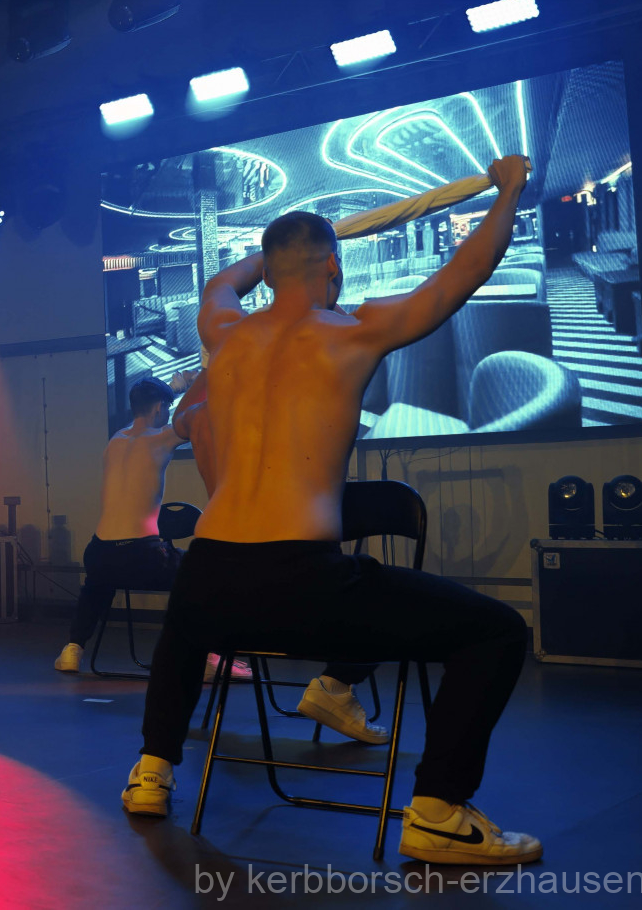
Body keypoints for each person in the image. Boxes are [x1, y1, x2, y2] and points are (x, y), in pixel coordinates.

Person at [124, 156, 539, 866]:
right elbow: (462, 275)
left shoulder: (225, 332)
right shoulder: (353, 332)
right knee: (498, 632)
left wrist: (266, 260)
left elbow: (219, 284)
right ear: (334, 269)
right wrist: (508, 190)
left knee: (186, 621)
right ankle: (438, 812)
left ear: (269, 272)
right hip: (302, 586)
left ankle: (151, 771)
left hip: (209, 577)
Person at [172, 372, 385, 744]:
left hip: (228, 605)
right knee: (385, 599)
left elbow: (179, 418)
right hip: (302, 600)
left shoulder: (203, 417)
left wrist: (210, 369)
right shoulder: (285, 410)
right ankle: (336, 684)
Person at [53, 373, 194, 674]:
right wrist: (191, 383)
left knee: (97, 586)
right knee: (199, 572)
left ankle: (72, 649)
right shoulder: (163, 437)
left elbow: (148, 415)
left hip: (99, 554)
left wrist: (171, 388)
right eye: (166, 408)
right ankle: (207, 658)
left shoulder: (116, 440)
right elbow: (192, 419)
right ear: (160, 408)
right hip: (142, 557)